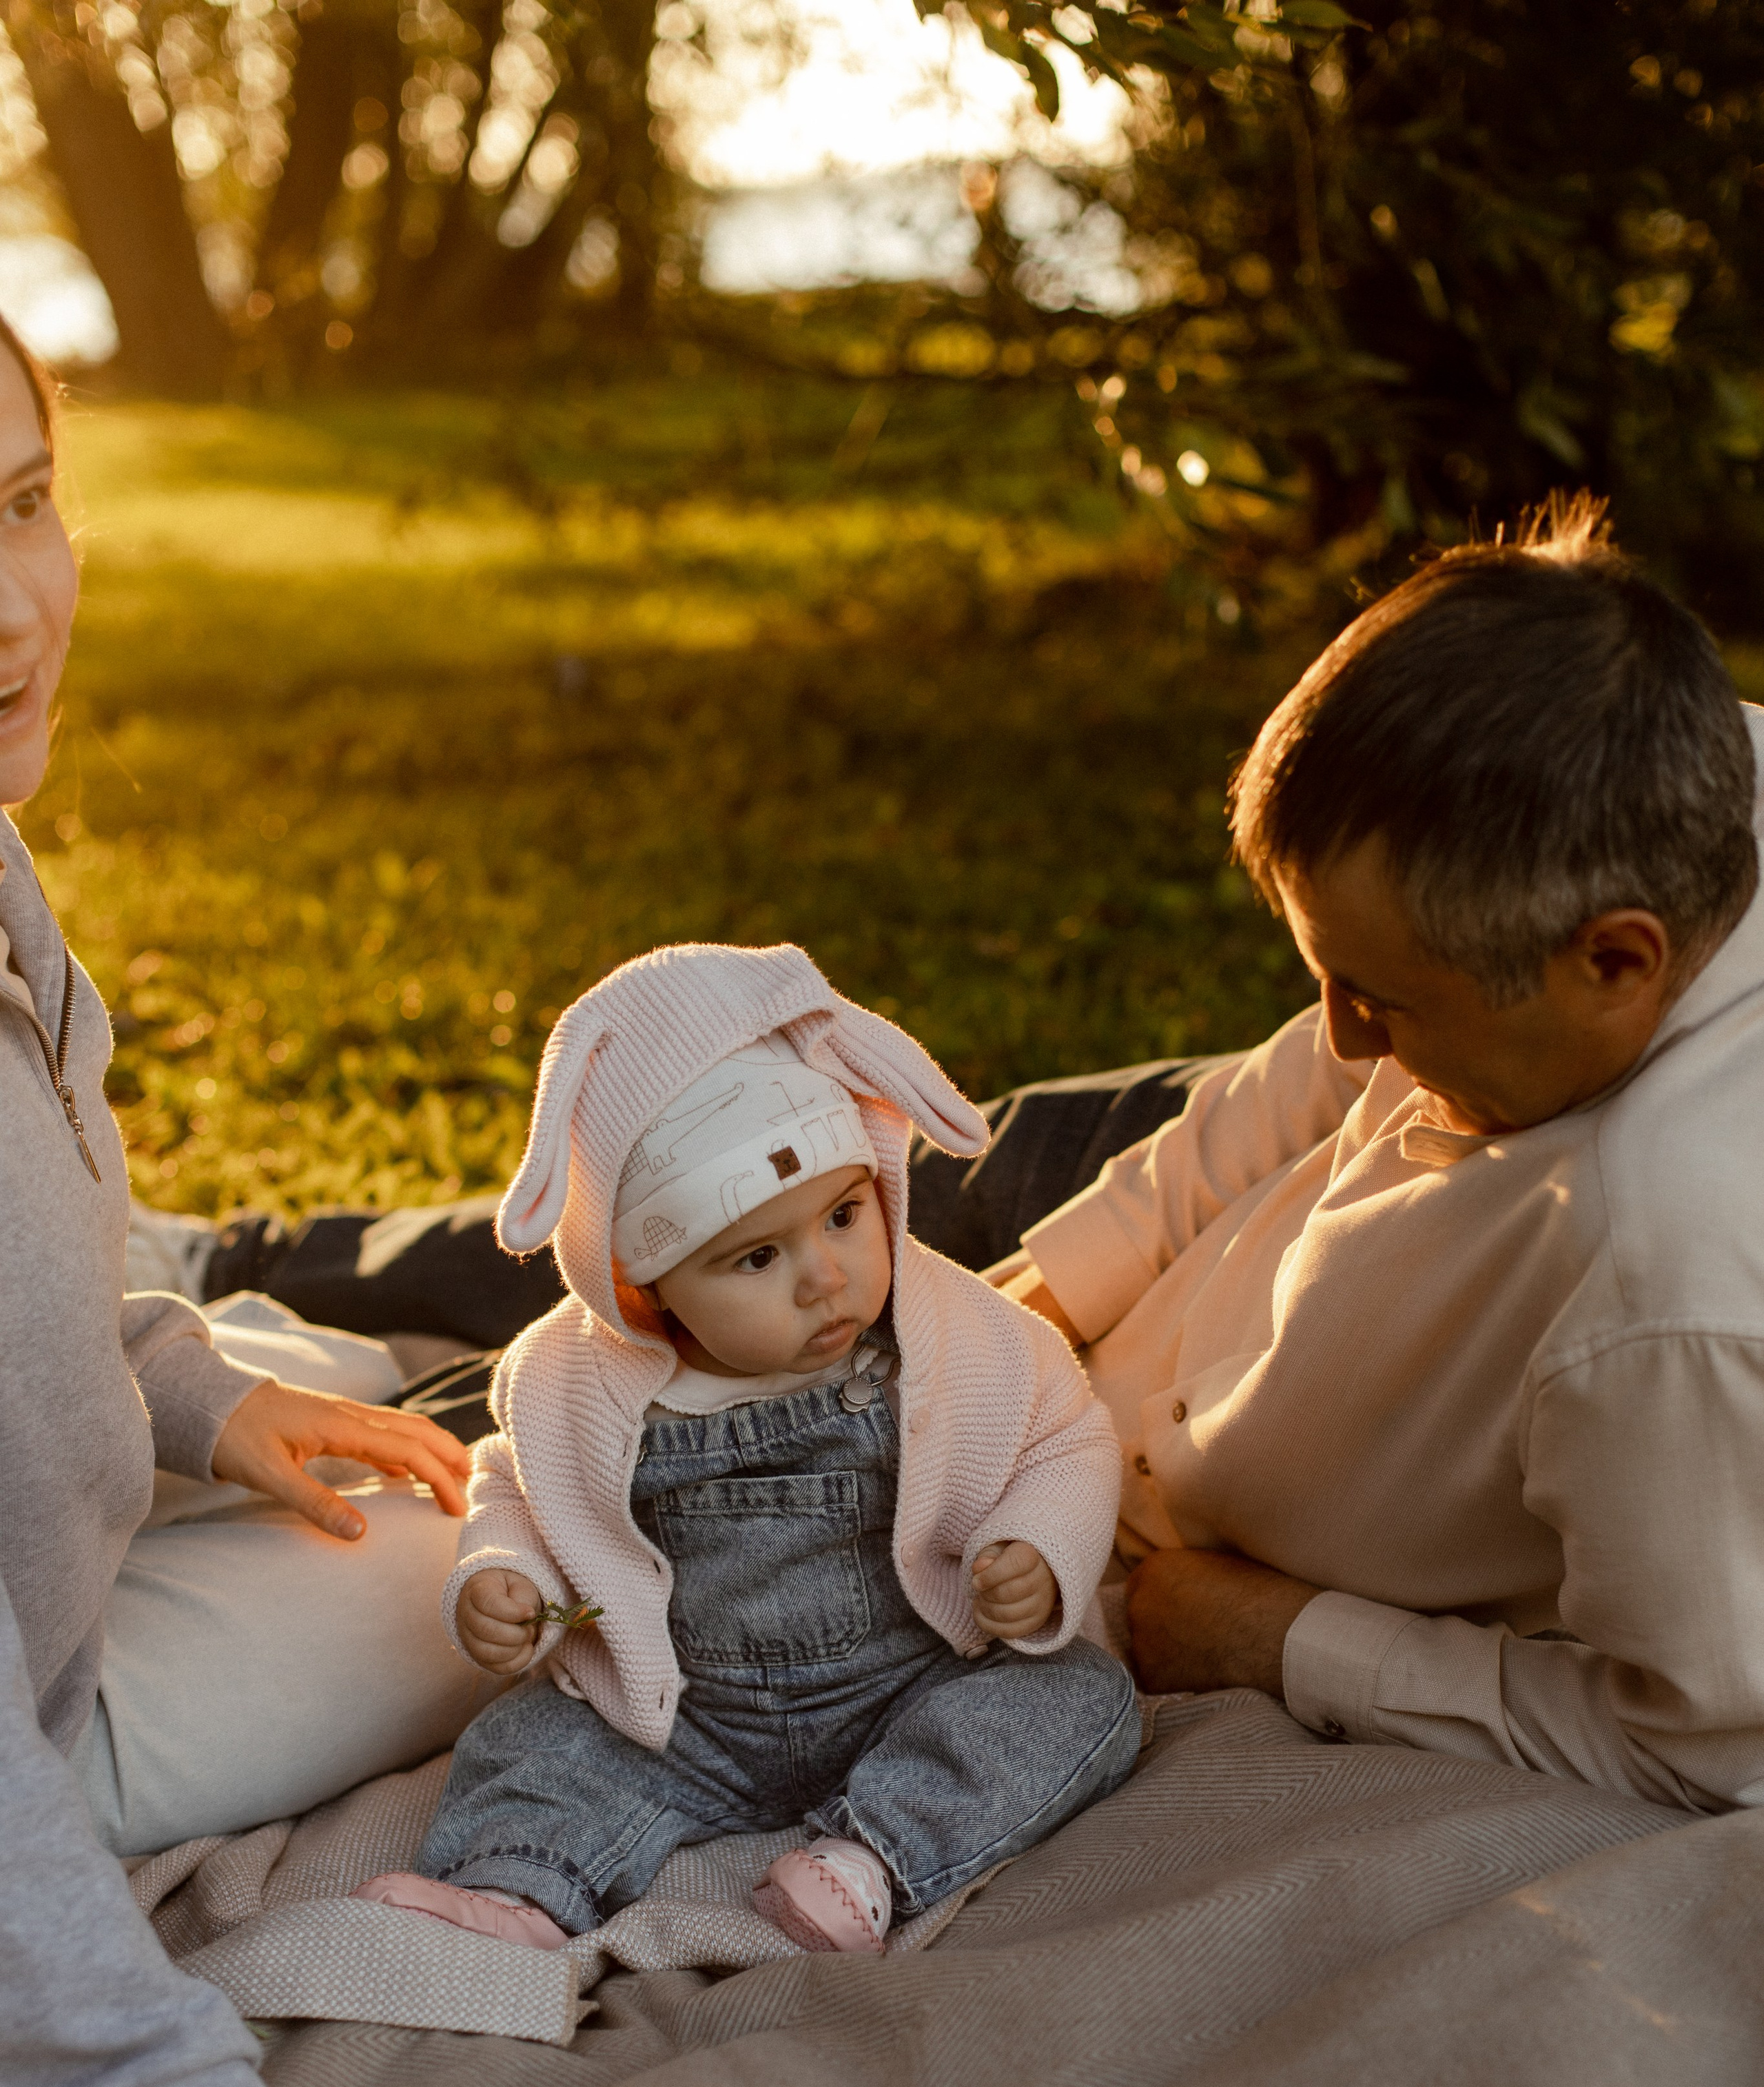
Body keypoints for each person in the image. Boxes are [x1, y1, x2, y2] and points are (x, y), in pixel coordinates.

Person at [0, 318, 478, 2087]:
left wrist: (194, 1401)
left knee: (324, 1397)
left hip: (59, 1539)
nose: (18, 613)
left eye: (23, 506)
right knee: (479, 1565)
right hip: (36, 1714)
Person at [997, 501, 1764, 1815]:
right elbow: (1304, 1067)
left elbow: (1704, 1747)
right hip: (1177, 1248)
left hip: (1125, 1549)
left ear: (1618, 961)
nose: (1345, 1039)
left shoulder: (1668, 1297)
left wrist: (1284, 1641)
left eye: (1386, 1003)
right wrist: (1025, 1306)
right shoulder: (1691, 772)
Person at [356, 943, 1140, 1956]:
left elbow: (1066, 1437)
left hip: (912, 1682)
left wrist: (1037, 1547)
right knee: (533, 1741)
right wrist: (502, 1573)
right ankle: (519, 1891)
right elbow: (513, 1483)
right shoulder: (578, 1386)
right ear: (646, 1283)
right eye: (758, 1257)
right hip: (682, 1718)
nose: (827, 1279)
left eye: (846, 1216)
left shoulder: (950, 1337)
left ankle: (867, 1859)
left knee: (1080, 1698)